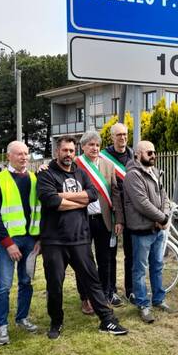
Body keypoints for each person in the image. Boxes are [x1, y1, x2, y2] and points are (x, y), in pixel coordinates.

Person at [37, 135, 128, 338]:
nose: (68, 154)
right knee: (54, 285)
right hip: (54, 241)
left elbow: (93, 195)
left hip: (80, 238)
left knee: (93, 281)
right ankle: (56, 322)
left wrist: (63, 196)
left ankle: (107, 320)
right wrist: (79, 200)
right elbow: (50, 201)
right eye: (64, 150)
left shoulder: (80, 172)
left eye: (71, 150)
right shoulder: (46, 174)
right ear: (56, 152)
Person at [0, 141, 41, 346]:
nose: (24, 157)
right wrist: (8, 243)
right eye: (19, 154)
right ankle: (1, 326)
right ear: (8, 156)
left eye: (26, 153)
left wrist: (39, 239)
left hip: (30, 240)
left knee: (26, 282)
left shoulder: (35, 178)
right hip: (7, 241)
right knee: (4, 285)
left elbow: (39, 211)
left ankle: (22, 318)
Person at [124, 140, 173, 323]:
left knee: (157, 266)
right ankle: (143, 305)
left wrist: (165, 217)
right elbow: (141, 203)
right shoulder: (132, 175)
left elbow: (165, 197)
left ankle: (159, 299)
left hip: (157, 229)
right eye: (149, 153)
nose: (154, 156)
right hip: (142, 230)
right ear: (138, 154)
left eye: (154, 152)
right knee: (139, 270)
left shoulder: (155, 172)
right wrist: (162, 218)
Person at [76, 131, 124, 310]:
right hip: (82, 220)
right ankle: (86, 297)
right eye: (91, 145)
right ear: (83, 147)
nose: (95, 148)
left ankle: (104, 295)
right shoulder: (76, 164)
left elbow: (116, 194)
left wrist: (119, 219)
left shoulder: (108, 165)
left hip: (104, 221)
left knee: (105, 260)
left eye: (97, 145)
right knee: (83, 261)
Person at [101, 122, 135, 303]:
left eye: (125, 134)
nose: (122, 137)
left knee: (131, 253)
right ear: (112, 137)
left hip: (132, 213)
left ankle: (131, 290)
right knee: (110, 254)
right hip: (112, 212)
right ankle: (111, 290)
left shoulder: (133, 155)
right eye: (119, 134)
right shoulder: (103, 156)